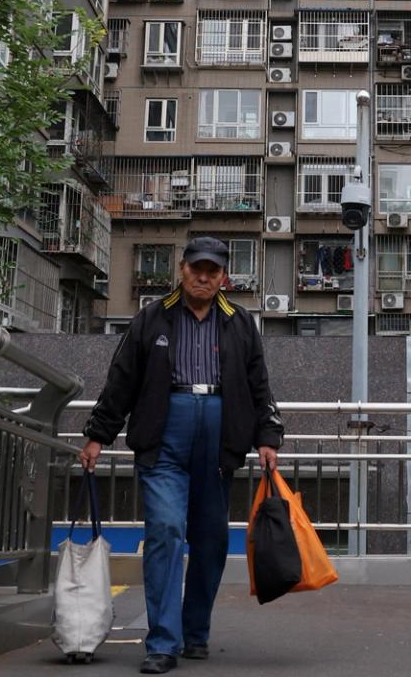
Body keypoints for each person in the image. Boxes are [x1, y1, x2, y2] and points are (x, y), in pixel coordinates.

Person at [80, 236, 284, 673]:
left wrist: (268, 436)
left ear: (224, 277)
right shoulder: (151, 318)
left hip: (218, 440)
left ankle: (195, 634)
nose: (204, 277)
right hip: (164, 435)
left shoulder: (240, 322)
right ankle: (162, 643)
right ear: (182, 269)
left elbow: (258, 384)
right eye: (197, 269)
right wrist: (98, 434)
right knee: (166, 531)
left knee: (210, 541)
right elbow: (122, 380)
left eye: (213, 271)